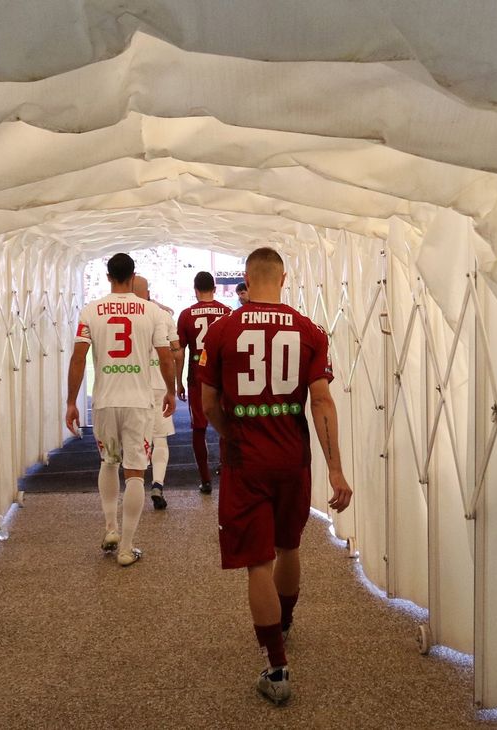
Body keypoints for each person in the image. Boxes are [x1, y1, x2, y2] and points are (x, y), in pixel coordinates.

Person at [197, 246, 352, 705]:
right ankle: (283, 621)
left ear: (246, 279)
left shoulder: (222, 330)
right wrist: (336, 469)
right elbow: (321, 401)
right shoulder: (310, 330)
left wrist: (231, 435)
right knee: (289, 546)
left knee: (257, 562)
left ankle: (277, 666)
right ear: (283, 278)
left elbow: (208, 404)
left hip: (247, 461)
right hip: (292, 459)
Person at [65, 254, 176, 566]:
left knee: (109, 462)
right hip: (138, 402)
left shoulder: (91, 310)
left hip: (104, 401)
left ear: (108, 276)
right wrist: (171, 390)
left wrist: (71, 401)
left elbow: (78, 358)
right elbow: (166, 356)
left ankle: (110, 527)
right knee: (136, 472)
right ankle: (126, 548)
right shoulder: (152, 311)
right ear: (133, 275)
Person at [176, 272, 232, 494]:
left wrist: (178, 381)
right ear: (215, 289)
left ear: (195, 290)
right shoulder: (227, 312)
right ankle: (226, 471)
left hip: (198, 377)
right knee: (227, 425)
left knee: (198, 429)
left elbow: (179, 352)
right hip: (223, 377)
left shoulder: (186, 315)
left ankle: (205, 479)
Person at [133, 275, 183, 510]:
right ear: (148, 292)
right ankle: (158, 483)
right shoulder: (162, 315)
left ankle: (134, 487)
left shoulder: (121, 314)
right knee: (160, 437)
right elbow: (176, 352)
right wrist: (176, 384)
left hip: (133, 384)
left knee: (134, 439)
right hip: (158, 383)